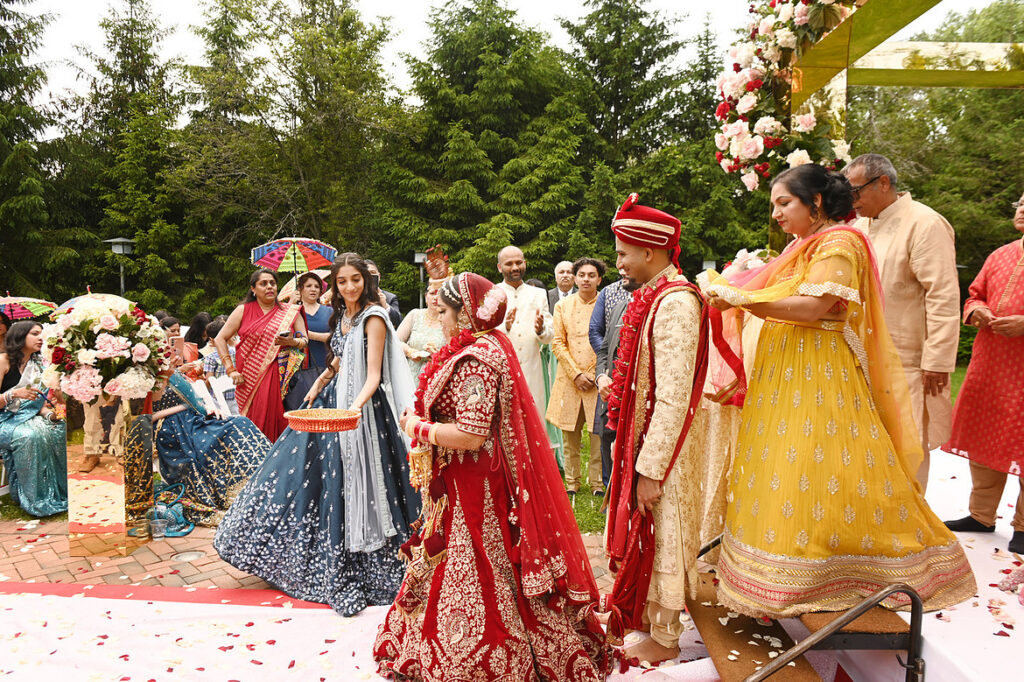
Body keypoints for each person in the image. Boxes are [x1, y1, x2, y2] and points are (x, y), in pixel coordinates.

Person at [704, 164, 976, 619]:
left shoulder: (840, 242)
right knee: (786, 463)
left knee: (818, 460)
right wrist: (735, 291)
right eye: (773, 205)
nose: (776, 214)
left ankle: (834, 569)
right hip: (785, 370)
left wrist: (742, 299)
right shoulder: (801, 245)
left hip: (818, 373)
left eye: (784, 203)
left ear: (815, 202)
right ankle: (786, 564)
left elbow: (813, 307)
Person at [374, 272, 611, 681]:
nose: (440, 318)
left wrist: (417, 427)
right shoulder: (485, 344)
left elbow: (471, 434)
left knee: (478, 557)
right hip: (465, 475)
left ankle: (480, 653)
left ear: (465, 315)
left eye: (444, 312)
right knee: (476, 552)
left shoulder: (476, 360)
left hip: (473, 477)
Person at [215, 253, 419, 616]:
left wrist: (353, 408)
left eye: (355, 279)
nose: (350, 287)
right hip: (331, 402)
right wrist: (320, 382)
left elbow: (373, 375)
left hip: (363, 411)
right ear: (335, 286)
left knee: (359, 480)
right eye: (342, 281)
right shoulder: (343, 316)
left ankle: (365, 555)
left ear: (365, 281)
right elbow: (339, 359)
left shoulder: (374, 317)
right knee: (298, 474)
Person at [601, 194, 710, 665]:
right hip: (648, 444)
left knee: (664, 533)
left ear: (649, 251)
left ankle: (665, 639)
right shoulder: (656, 297)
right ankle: (650, 621)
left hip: (667, 450)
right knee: (648, 531)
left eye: (623, 253)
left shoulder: (677, 303)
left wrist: (651, 469)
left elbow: (674, 395)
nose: (618, 264)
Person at [845, 154, 960, 490]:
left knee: (904, 449)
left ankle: (907, 520)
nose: (852, 201)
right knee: (860, 446)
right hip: (858, 356)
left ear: (883, 183)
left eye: (856, 192)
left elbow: (943, 294)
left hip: (907, 359)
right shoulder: (858, 228)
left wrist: (937, 360)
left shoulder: (925, 223)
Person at [943, 190, 1024, 554]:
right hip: (990, 363)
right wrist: (977, 311)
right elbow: (974, 294)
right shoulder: (1000, 255)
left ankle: (1023, 525)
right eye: (1020, 203)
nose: (1022, 209)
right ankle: (981, 515)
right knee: (984, 434)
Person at [151, 371, 270, 525]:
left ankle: (262, 486)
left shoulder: (175, 374)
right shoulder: (148, 378)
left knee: (241, 423)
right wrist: (184, 406)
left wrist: (208, 409)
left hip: (195, 420)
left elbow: (197, 402)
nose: (175, 358)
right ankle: (242, 495)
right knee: (222, 436)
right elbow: (149, 417)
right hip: (173, 430)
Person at [213, 268, 307, 443]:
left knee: (277, 419)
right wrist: (230, 369)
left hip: (280, 376)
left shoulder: (290, 312)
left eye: (272, 283)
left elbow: (304, 340)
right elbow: (220, 339)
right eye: (263, 284)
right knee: (253, 422)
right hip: (248, 377)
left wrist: (291, 342)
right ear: (253, 289)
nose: (269, 287)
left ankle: (276, 456)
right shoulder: (243, 310)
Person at [547, 257, 606, 495]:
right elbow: (558, 342)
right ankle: (572, 482)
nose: (586, 279)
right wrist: (576, 374)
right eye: (581, 275)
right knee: (569, 434)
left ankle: (597, 483)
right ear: (575, 278)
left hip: (598, 379)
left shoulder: (606, 303)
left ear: (599, 279)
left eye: (591, 275)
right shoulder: (563, 306)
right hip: (570, 378)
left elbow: (609, 343)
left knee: (597, 434)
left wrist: (592, 374)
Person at [0, 321, 67, 517]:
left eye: (41, 334)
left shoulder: (39, 365)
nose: (41, 338)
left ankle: (58, 493)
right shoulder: (3, 361)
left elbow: (37, 406)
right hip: (4, 420)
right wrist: (13, 394)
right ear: (20, 336)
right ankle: (34, 498)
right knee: (30, 436)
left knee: (58, 428)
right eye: (35, 334)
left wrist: (51, 414)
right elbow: (16, 401)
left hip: (28, 417)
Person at [496, 246, 553, 416]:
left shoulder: (538, 294)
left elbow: (549, 336)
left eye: (518, 262)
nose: (515, 267)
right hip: (503, 370)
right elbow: (485, 334)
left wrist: (541, 330)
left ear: (525, 264)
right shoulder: (492, 293)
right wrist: (505, 327)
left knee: (533, 418)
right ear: (500, 267)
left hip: (532, 370)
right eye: (509, 264)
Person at [590, 276, 632, 491]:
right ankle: (610, 494)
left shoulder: (659, 307)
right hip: (610, 396)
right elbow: (604, 349)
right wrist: (601, 377)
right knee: (607, 439)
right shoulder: (618, 307)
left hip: (635, 398)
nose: (621, 266)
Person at [396, 280, 446, 382]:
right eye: (432, 293)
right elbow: (395, 341)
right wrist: (409, 351)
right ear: (426, 297)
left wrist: (438, 356)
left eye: (439, 293)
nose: (435, 297)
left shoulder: (448, 321)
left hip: (435, 377)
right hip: (409, 375)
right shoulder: (415, 315)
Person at [295, 272, 331, 369]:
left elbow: (336, 337)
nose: (313, 289)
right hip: (300, 368)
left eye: (317, 287)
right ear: (300, 289)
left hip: (326, 366)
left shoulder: (329, 311)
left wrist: (307, 334)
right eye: (308, 286)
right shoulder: (294, 312)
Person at [365, 259, 402, 328]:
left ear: (379, 276)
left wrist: (385, 306)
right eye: (366, 274)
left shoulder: (390, 298)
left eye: (372, 273)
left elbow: (399, 321)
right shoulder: (353, 296)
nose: (370, 277)